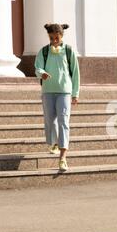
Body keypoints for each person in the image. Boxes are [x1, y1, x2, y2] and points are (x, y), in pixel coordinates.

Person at [35, 24, 80, 171]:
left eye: (57, 38)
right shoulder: (44, 51)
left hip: (64, 92)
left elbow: (75, 72)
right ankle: (53, 142)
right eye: (52, 38)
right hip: (48, 91)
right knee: (50, 120)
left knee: (63, 121)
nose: (54, 40)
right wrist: (42, 73)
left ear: (61, 36)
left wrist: (75, 93)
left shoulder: (68, 51)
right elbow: (38, 67)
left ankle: (63, 157)